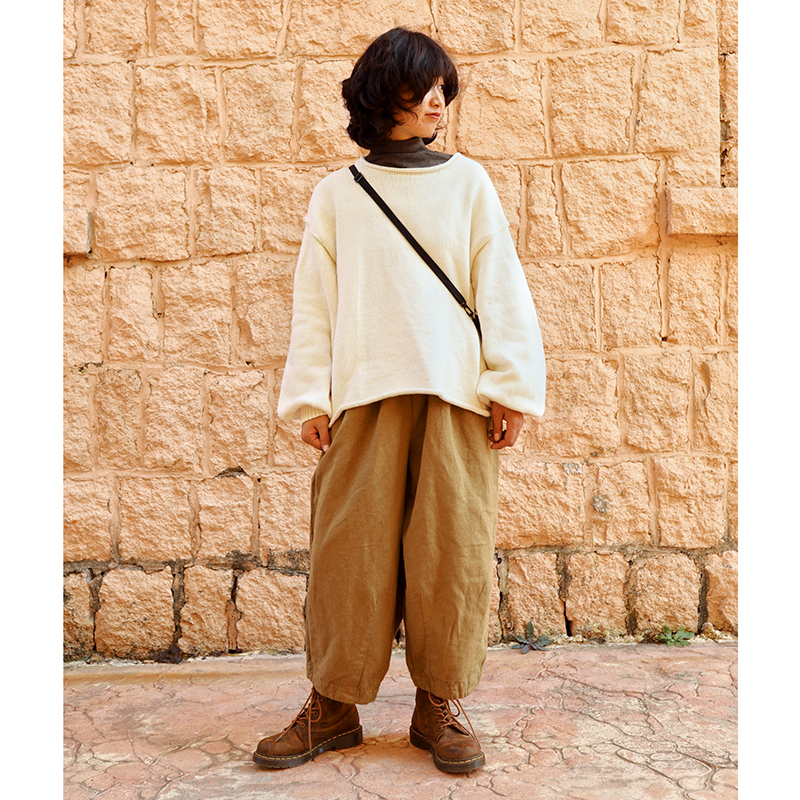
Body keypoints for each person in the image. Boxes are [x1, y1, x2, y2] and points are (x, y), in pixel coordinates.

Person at [253, 27, 545, 774]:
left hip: (455, 396)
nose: (438, 101)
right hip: (364, 395)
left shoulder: (469, 183)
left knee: (451, 553)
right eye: (423, 88)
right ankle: (332, 707)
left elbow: (500, 286)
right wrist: (309, 398)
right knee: (348, 556)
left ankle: (437, 704)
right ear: (385, 94)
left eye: (445, 88)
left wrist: (510, 388)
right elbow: (315, 300)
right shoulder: (338, 194)